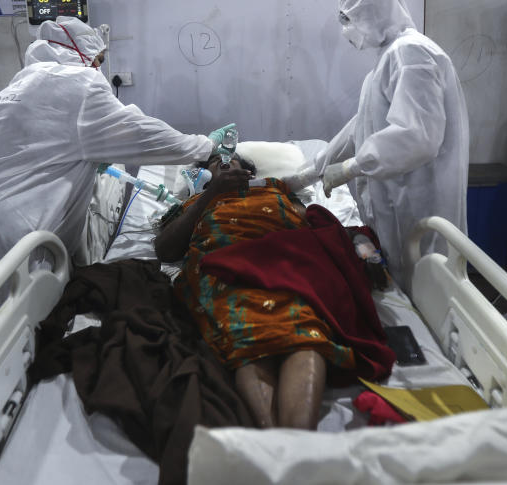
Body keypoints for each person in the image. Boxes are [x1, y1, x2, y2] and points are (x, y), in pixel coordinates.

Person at [0, 15, 236, 263]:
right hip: (18, 231)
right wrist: (205, 146)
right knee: (19, 317)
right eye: (97, 60)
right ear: (80, 55)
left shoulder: (15, 88)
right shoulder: (80, 83)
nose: (98, 68)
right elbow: (143, 135)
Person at [154, 156, 393, 429]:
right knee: (246, 333)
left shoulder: (274, 188)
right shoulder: (192, 203)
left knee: (305, 328)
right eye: (215, 161)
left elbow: (324, 230)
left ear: (247, 169)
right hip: (223, 265)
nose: (224, 161)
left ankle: (292, 443)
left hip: (284, 264)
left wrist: (364, 247)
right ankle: (276, 443)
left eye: (231, 159)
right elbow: (165, 250)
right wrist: (210, 196)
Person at [295, 0, 469, 293]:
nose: (345, 29)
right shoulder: (389, 59)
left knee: (430, 290)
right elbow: (360, 127)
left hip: (419, 201)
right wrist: (307, 174)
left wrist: (351, 167)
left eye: (347, 18)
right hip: (400, 201)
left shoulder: (412, 54)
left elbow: (418, 137)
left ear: (370, 10)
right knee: (407, 286)